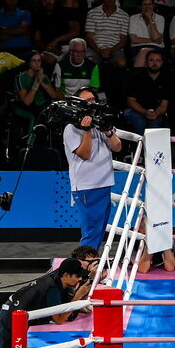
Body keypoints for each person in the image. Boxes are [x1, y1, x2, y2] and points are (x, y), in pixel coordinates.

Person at [0, 259, 89, 348]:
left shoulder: (58, 277)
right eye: (77, 276)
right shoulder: (51, 289)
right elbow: (59, 319)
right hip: (9, 319)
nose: (80, 279)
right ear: (66, 276)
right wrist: (78, 296)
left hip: (16, 313)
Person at [64, 87, 123, 248]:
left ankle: (91, 265)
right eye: (86, 101)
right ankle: (85, 268)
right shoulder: (71, 128)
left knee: (99, 230)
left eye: (92, 99)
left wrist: (108, 132)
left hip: (104, 183)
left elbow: (117, 147)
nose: (90, 103)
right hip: (87, 187)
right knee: (91, 232)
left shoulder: (101, 121)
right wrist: (87, 131)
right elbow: (84, 154)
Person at [124, 50, 171, 134]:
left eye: (158, 60)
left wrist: (156, 113)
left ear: (162, 63)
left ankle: (152, 147)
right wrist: (145, 112)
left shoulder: (166, 80)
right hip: (135, 110)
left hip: (155, 113)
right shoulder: (135, 78)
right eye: (151, 60)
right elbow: (131, 101)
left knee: (154, 124)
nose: (154, 63)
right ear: (146, 63)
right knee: (140, 121)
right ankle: (140, 146)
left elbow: (164, 105)